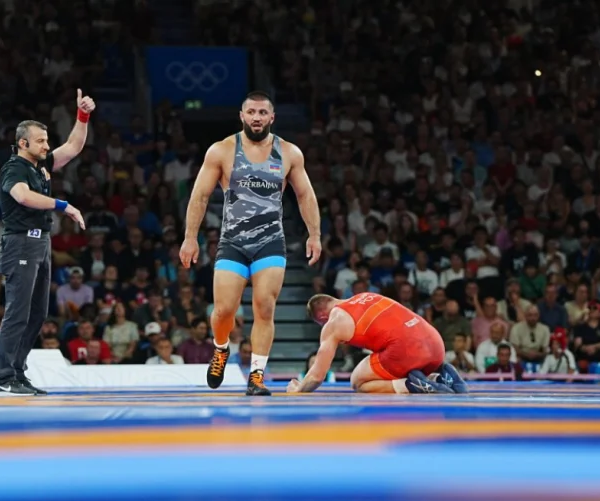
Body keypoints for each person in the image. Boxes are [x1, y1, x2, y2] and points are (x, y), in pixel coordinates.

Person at [180, 91, 322, 396]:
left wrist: (315, 235)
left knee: (265, 307)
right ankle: (221, 348)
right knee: (223, 311)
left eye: (262, 113)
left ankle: (256, 376)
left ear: (272, 118)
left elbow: (305, 195)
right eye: (251, 112)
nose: (256, 117)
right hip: (233, 242)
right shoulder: (222, 151)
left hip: (270, 242)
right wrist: (190, 237)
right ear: (242, 116)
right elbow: (200, 196)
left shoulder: (289, 153)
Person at [0, 89, 95, 397]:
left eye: (47, 141)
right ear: (23, 143)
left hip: (41, 244)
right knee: (18, 312)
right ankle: (3, 378)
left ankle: (18, 374)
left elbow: (74, 146)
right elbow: (22, 195)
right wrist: (62, 205)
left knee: (37, 315)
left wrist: (83, 116)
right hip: (20, 244)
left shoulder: (41, 164)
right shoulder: (14, 168)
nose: (47, 146)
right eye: (40, 141)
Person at [288, 292, 469, 394]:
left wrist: (297, 390)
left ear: (321, 317)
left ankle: (412, 385)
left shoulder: (334, 321)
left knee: (357, 382)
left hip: (407, 351)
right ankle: (439, 375)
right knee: (395, 356)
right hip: (436, 345)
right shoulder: (366, 295)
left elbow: (317, 376)